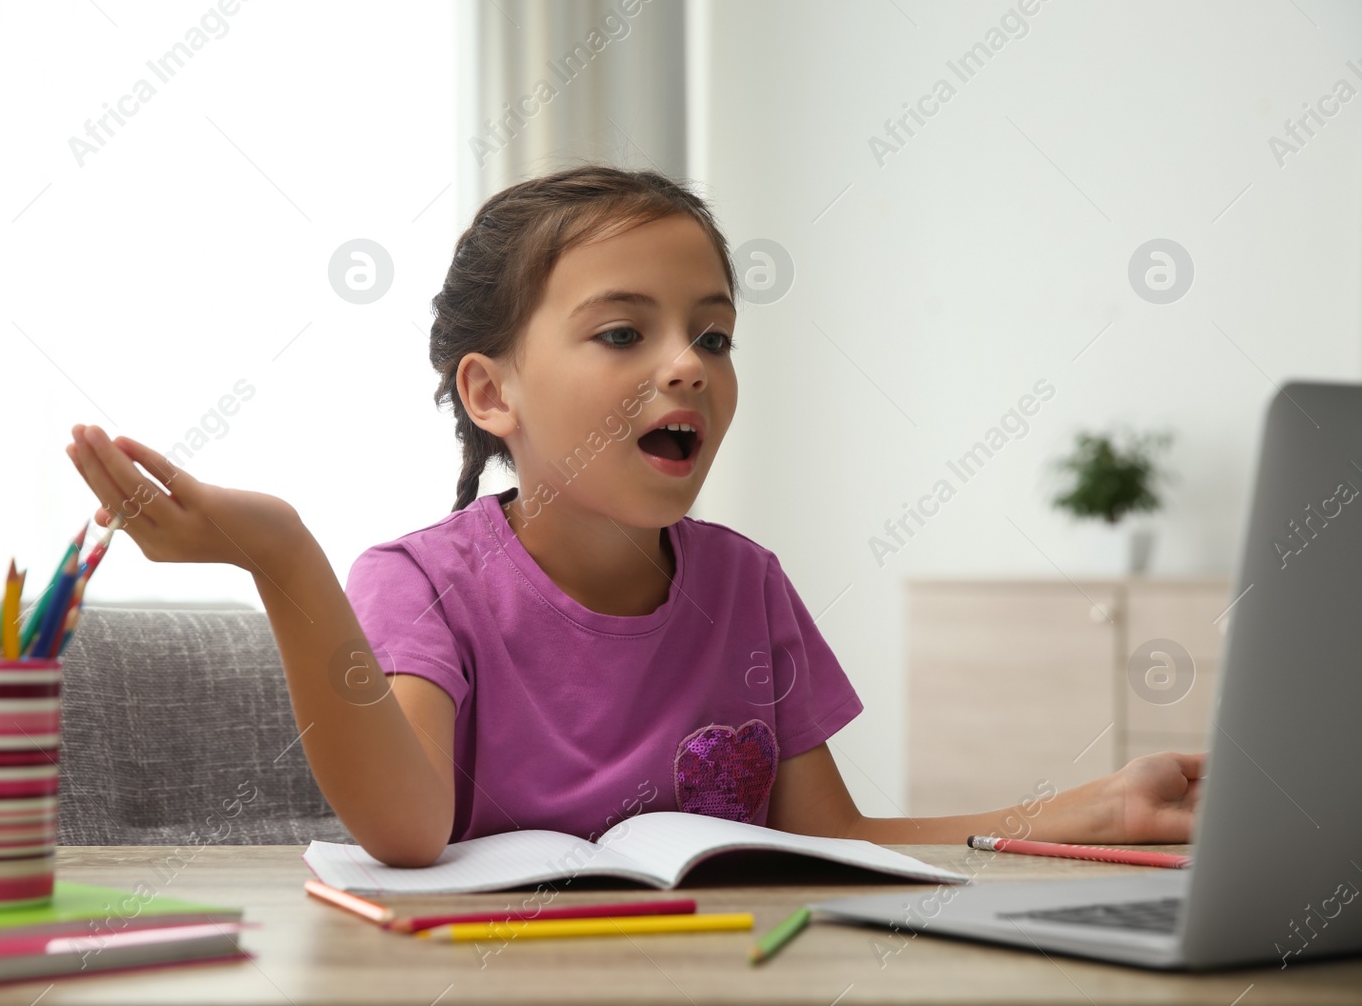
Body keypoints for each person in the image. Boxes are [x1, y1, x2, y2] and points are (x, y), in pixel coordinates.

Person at [65, 164, 1203, 868]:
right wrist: (278, 554)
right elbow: (407, 831)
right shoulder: (416, 584)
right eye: (623, 333)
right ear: (490, 391)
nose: (689, 367)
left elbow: (834, 845)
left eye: (711, 335)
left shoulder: (748, 582)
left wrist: (1089, 805)